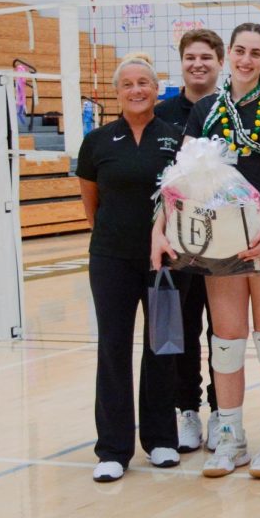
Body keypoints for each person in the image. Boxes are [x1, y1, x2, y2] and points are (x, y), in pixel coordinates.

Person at [152, 22, 260, 480]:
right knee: (227, 339)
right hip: (219, 240)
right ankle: (232, 437)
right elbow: (182, 177)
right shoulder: (206, 108)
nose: (246, 59)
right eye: (240, 50)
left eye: (256, 53)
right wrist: (160, 227)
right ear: (229, 55)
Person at [79, 54, 183, 482]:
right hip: (111, 259)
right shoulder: (98, 142)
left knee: (162, 346)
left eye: (144, 83)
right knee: (113, 346)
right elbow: (91, 203)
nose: (137, 90)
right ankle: (113, 449)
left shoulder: (176, 138)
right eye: (128, 84)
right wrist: (116, 236)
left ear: (157, 90)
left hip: (166, 261)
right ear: (117, 92)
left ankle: (161, 440)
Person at [155, 28, 223, 453]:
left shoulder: (228, 110)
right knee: (179, 327)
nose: (198, 64)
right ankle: (187, 411)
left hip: (222, 241)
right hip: (177, 242)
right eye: (190, 57)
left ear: (220, 63)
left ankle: (222, 411)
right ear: (181, 62)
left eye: (206, 58)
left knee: (223, 329)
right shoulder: (162, 113)